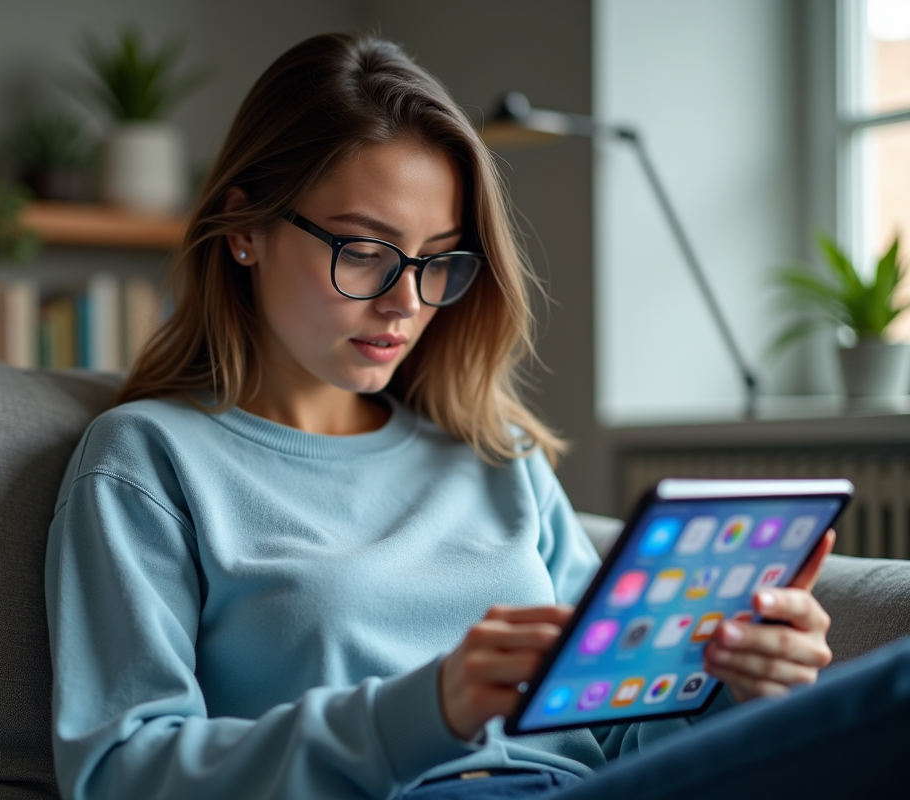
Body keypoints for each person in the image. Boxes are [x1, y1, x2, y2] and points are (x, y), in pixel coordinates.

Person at [44, 32, 909, 800]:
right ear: (244, 228)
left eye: (435, 263)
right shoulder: (149, 461)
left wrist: (737, 687)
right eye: (365, 251)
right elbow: (125, 772)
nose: (404, 303)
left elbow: (612, 731)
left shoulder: (497, 458)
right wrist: (423, 710)